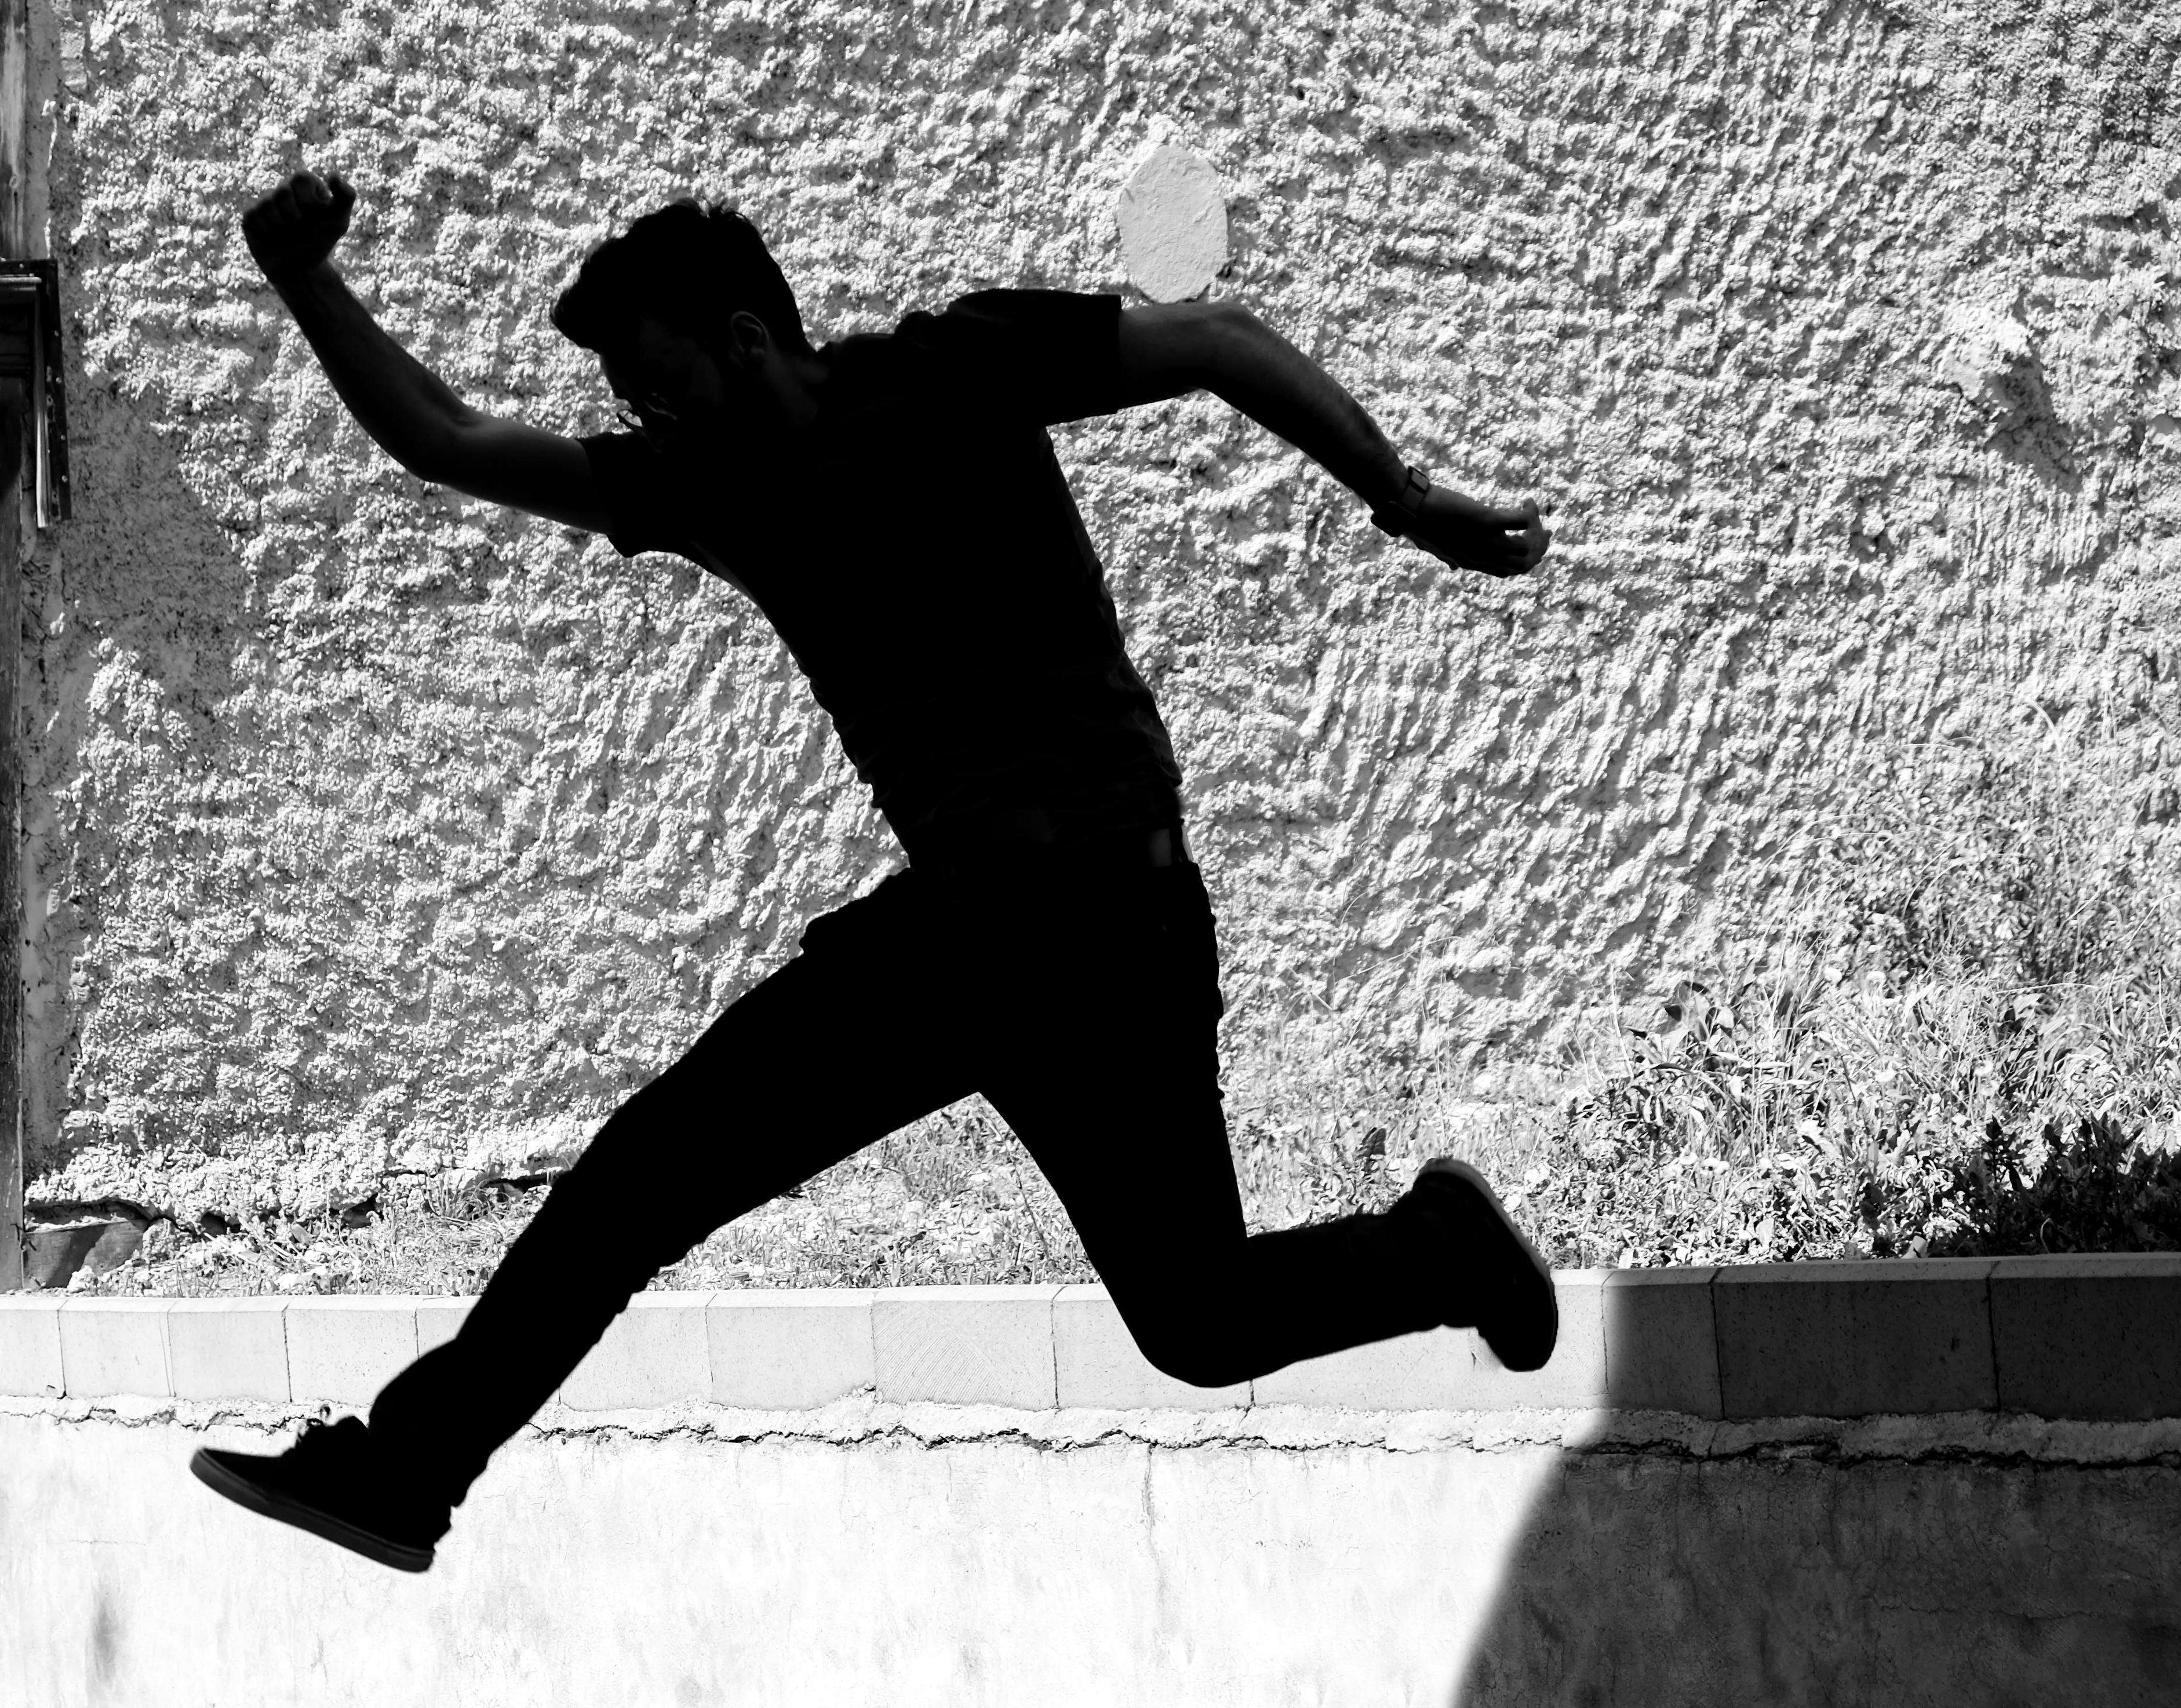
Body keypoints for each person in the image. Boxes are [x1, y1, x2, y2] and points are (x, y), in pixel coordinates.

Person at [193, 170, 1559, 1576]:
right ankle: (409, 1471)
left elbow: (1208, 338)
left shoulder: (959, 367)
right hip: (965, 936)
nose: (646, 422)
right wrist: (306, 283)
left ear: (743, 335)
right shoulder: (705, 485)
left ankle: (1439, 1250)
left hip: (1111, 919)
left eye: (658, 383)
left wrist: (1399, 498)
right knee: (644, 1176)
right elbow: (448, 438)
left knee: (1202, 1322)